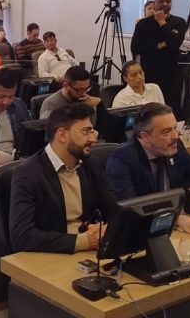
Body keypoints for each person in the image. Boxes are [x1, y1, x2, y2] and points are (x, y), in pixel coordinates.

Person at [105, 103, 190, 241]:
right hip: (142, 232)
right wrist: (177, 219)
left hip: (174, 227)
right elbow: (131, 209)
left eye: (175, 128)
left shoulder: (174, 147)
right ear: (145, 137)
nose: (175, 136)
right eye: (166, 132)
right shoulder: (122, 159)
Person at [8, 102, 116, 254]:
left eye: (92, 131)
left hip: (90, 250)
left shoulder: (90, 164)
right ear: (62, 135)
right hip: (52, 254)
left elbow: (112, 208)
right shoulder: (27, 173)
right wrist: (83, 241)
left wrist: (107, 228)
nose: (93, 138)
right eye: (86, 132)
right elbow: (21, 237)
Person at [131, 0, 187, 107]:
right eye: (161, 1)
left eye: (168, 1)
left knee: (171, 107)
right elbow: (136, 48)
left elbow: (176, 43)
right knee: (150, 107)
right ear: (155, 3)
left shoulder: (179, 22)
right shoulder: (143, 24)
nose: (165, 4)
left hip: (171, 74)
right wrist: (158, 45)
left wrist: (162, 22)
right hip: (150, 74)